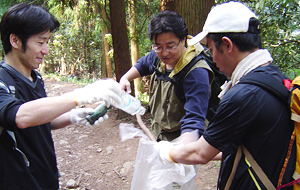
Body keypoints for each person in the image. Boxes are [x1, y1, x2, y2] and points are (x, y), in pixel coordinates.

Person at [156, 2, 296, 190]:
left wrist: (166, 153)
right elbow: (244, 143)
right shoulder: (274, 77)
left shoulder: (243, 95)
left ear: (227, 45)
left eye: (212, 49)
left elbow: (201, 154)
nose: (212, 58)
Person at [0, 3, 123, 189]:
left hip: (46, 176)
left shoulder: (36, 78)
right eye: (40, 43)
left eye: (47, 42)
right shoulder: (2, 80)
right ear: (15, 41)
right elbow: (20, 116)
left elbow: (40, 120)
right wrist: (81, 94)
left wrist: (72, 116)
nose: (46, 50)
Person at [119, 10, 213, 142]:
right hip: (159, 133)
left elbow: (194, 119)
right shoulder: (158, 57)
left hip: (183, 138)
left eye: (170, 46)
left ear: (183, 40)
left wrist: (179, 150)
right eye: (158, 46)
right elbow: (143, 65)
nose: (164, 53)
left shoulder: (196, 73)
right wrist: (125, 78)